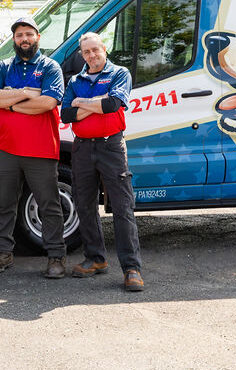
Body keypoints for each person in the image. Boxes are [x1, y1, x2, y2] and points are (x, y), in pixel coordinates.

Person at [0, 16, 67, 278]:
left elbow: (47, 103)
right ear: (14, 39)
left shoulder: (51, 67)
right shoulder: (2, 67)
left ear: (38, 37)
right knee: (5, 204)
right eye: (19, 35)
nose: (24, 39)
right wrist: (26, 93)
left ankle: (56, 257)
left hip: (41, 150)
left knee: (49, 205)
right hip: (6, 150)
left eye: (28, 34)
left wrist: (8, 102)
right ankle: (4, 253)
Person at [61, 32, 144, 291]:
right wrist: (94, 104)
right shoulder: (75, 79)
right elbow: (66, 113)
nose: (92, 55)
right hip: (83, 148)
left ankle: (132, 268)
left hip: (111, 146)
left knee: (122, 208)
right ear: (82, 55)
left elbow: (113, 104)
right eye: (86, 52)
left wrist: (82, 103)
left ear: (104, 49)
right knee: (85, 205)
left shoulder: (119, 74)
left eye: (96, 50)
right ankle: (95, 259)